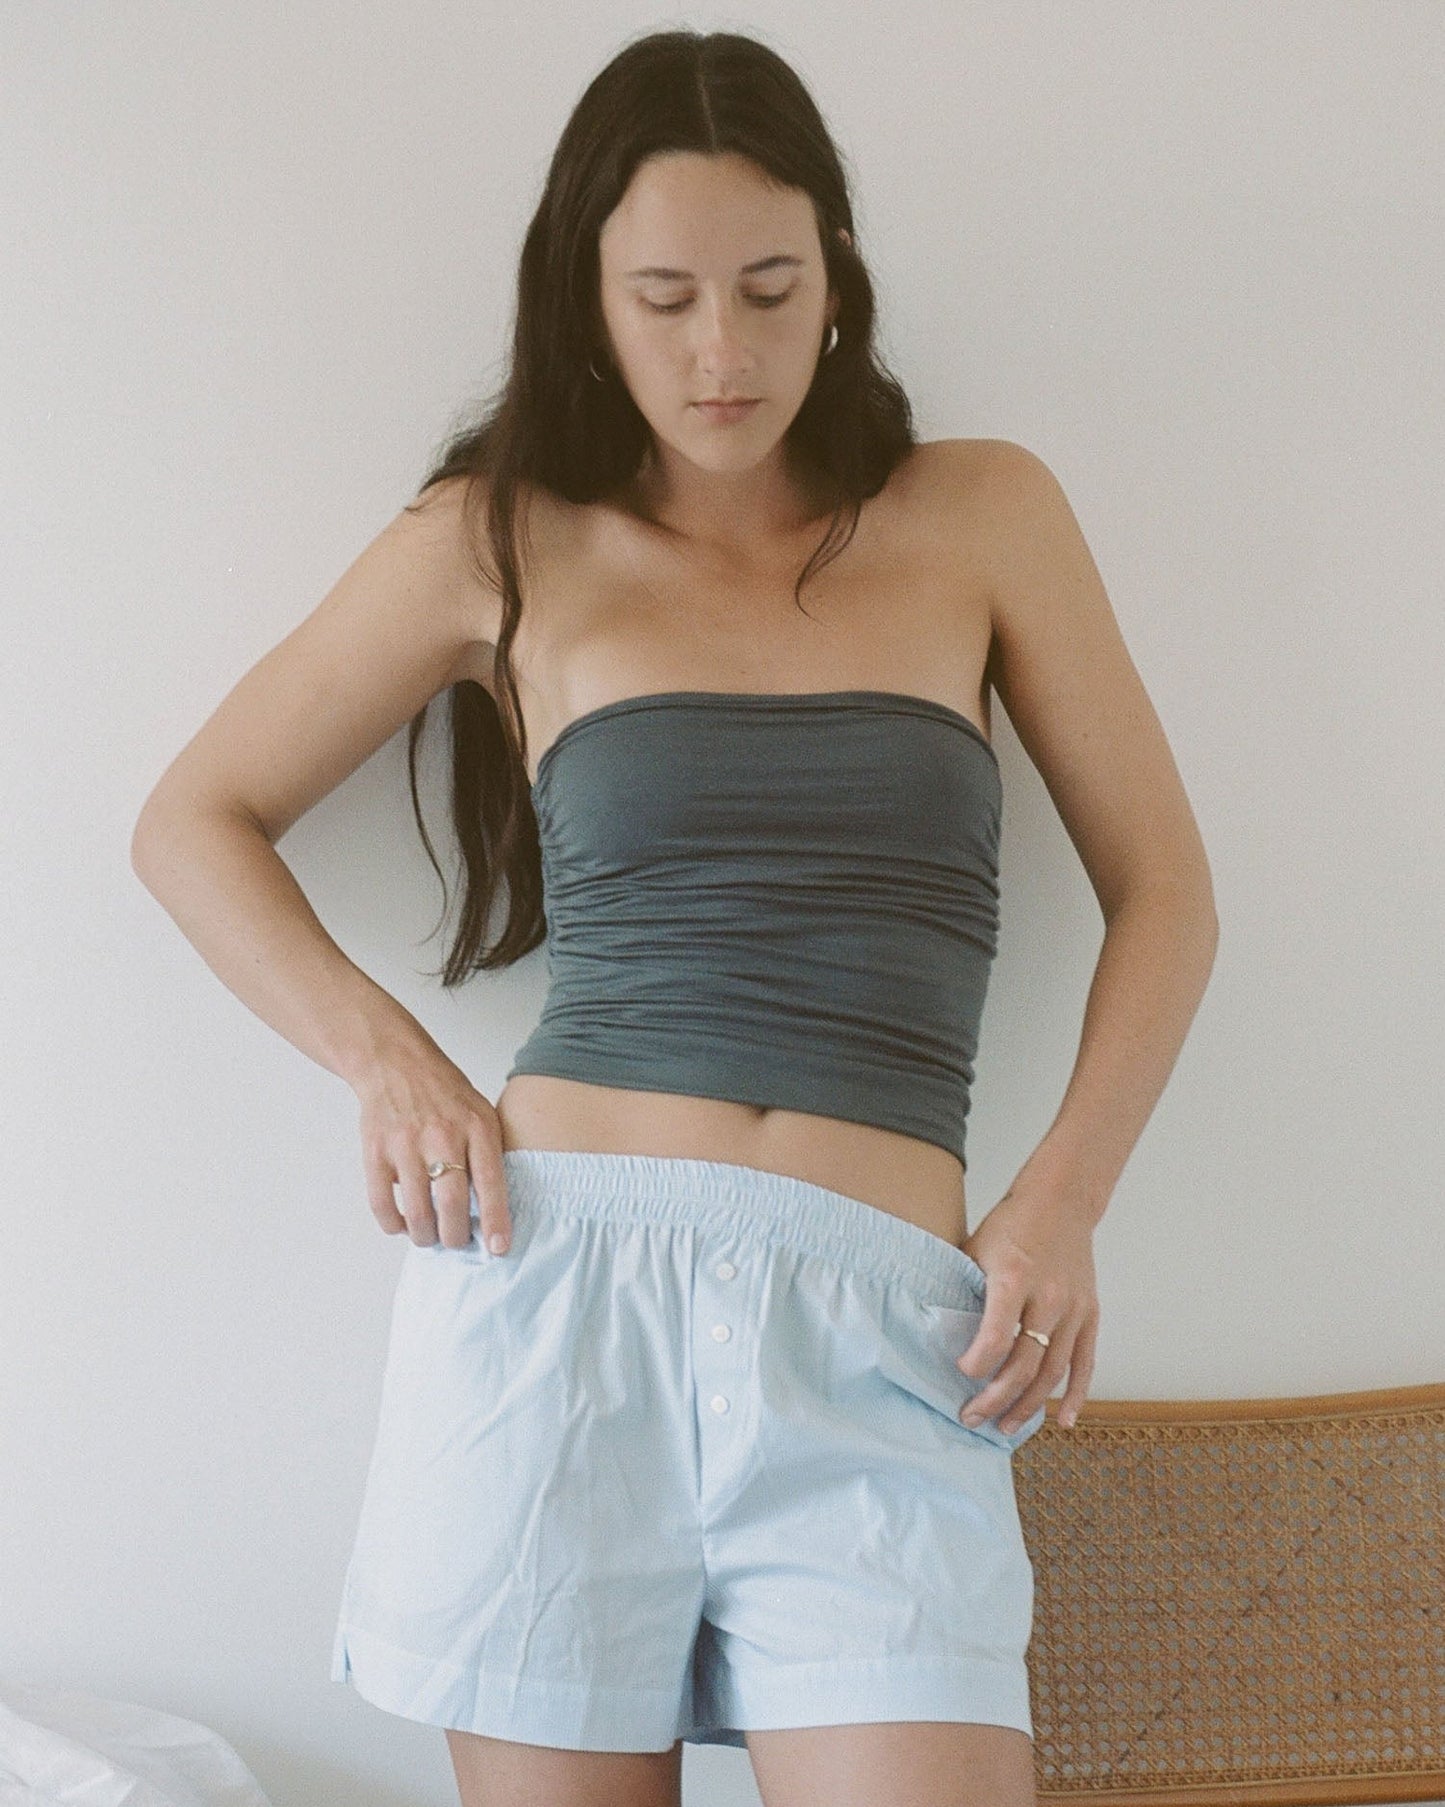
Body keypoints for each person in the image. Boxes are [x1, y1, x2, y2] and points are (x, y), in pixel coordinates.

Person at [130, 27, 1218, 1807]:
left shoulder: (982, 515)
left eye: (770, 290)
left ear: (836, 281)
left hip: (890, 1332)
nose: (724, 352)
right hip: (555, 1300)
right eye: (665, 299)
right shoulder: (496, 539)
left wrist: (1064, 1198)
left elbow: (1164, 891)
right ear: (586, 300)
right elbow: (193, 819)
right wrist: (389, 1064)